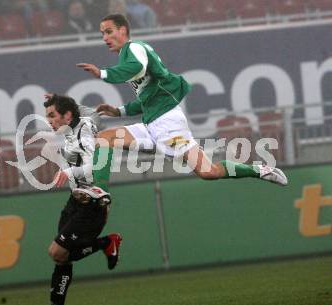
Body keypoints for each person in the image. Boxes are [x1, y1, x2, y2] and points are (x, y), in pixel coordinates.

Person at [76, 13, 288, 194]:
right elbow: (148, 96)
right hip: (152, 124)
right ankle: (99, 192)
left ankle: (259, 170)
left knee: (209, 172)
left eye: (109, 31)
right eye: (102, 33)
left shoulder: (134, 48)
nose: (105, 37)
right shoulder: (127, 54)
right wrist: (119, 110)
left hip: (168, 124)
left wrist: (103, 73)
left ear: (123, 30)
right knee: (104, 138)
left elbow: (137, 67)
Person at [44, 94, 122, 305]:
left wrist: (69, 172)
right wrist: (58, 99)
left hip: (92, 202)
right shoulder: (75, 124)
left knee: (56, 251)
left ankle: (106, 242)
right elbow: (89, 112)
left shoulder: (84, 133)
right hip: (75, 201)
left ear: (67, 116)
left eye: (52, 115)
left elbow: (93, 168)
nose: (49, 121)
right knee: (61, 258)